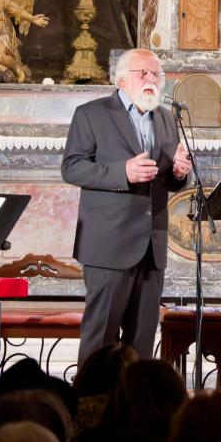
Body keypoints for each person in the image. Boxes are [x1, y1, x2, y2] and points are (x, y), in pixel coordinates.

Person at [62, 48, 192, 363]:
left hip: (151, 246)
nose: (151, 80)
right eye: (142, 73)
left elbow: (168, 177)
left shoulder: (166, 117)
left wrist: (178, 173)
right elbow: (72, 168)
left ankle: (136, 396)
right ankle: (91, 394)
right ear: (121, 79)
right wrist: (124, 172)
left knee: (141, 345)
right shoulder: (92, 114)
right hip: (109, 244)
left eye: (156, 74)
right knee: (100, 342)